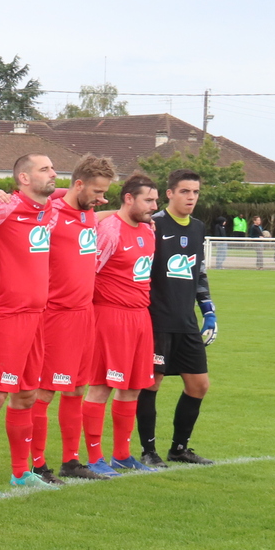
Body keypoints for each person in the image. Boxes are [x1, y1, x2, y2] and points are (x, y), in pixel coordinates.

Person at [0, 153, 59, 497]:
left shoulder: (49, 208)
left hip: (37, 317)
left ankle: (21, 472)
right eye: (45, 169)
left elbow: (75, 193)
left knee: (26, 396)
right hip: (5, 315)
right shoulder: (2, 209)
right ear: (23, 178)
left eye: (53, 168)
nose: (52, 174)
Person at [29, 156, 115, 483]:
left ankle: (71, 460)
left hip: (85, 314)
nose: (101, 197)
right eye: (96, 190)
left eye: (105, 191)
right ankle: (37, 464)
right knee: (45, 391)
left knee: (77, 388)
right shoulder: (49, 213)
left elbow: (96, 212)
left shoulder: (88, 212)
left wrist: (115, 212)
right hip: (56, 315)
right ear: (78, 185)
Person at [82, 175, 161, 475]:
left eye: (155, 200)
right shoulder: (110, 230)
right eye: (149, 200)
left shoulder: (148, 230)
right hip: (110, 316)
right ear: (129, 198)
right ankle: (94, 457)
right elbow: (88, 272)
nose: (154, 206)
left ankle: (123, 455)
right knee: (101, 386)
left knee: (133, 387)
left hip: (141, 316)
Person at [136, 168, 216, 467]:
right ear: (169, 193)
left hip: (186, 320)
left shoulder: (197, 228)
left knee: (199, 384)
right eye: (185, 191)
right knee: (151, 383)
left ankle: (179, 448)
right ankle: (148, 450)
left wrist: (207, 308)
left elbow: (199, 272)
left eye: (195, 192)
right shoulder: (152, 225)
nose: (191, 197)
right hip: (156, 320)